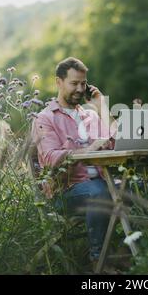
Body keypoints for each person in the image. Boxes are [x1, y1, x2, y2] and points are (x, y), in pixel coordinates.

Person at [31, 57, 117, 266]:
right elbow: (50, 158)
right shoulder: (45, 118)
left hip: (102, 183)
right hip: (66, 190)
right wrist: (86, 150)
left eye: (83, 83)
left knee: (145, 187)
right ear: (59, 83)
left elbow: (112, 145)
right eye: (74, 83)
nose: (80, 88)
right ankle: (99, 261)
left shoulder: (89, 115)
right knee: (101, 193)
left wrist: (101, 107)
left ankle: (136, 253)